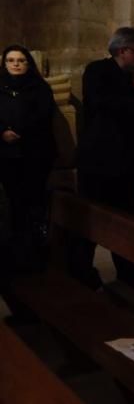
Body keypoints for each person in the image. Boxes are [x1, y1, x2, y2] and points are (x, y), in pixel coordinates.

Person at [71, 27, 134, 295]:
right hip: (100, 162)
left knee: (127, 225)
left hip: (128, 163)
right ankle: (81, 273)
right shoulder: (97, 71)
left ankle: (128, 275)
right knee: (91, 222)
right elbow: (102, 101)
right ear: (124, 51)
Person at [0, 46, 56, 270]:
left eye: (21, 60)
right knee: (12, 202)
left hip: (34, 151)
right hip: (5, 152)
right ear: (4, 64)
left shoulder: (40, 88)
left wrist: (19, 131)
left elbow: (43, 115)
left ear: (28, 63)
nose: (16, 64)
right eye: (11, 60)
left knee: (33, 200)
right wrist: (2, 132)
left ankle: (33, 252)